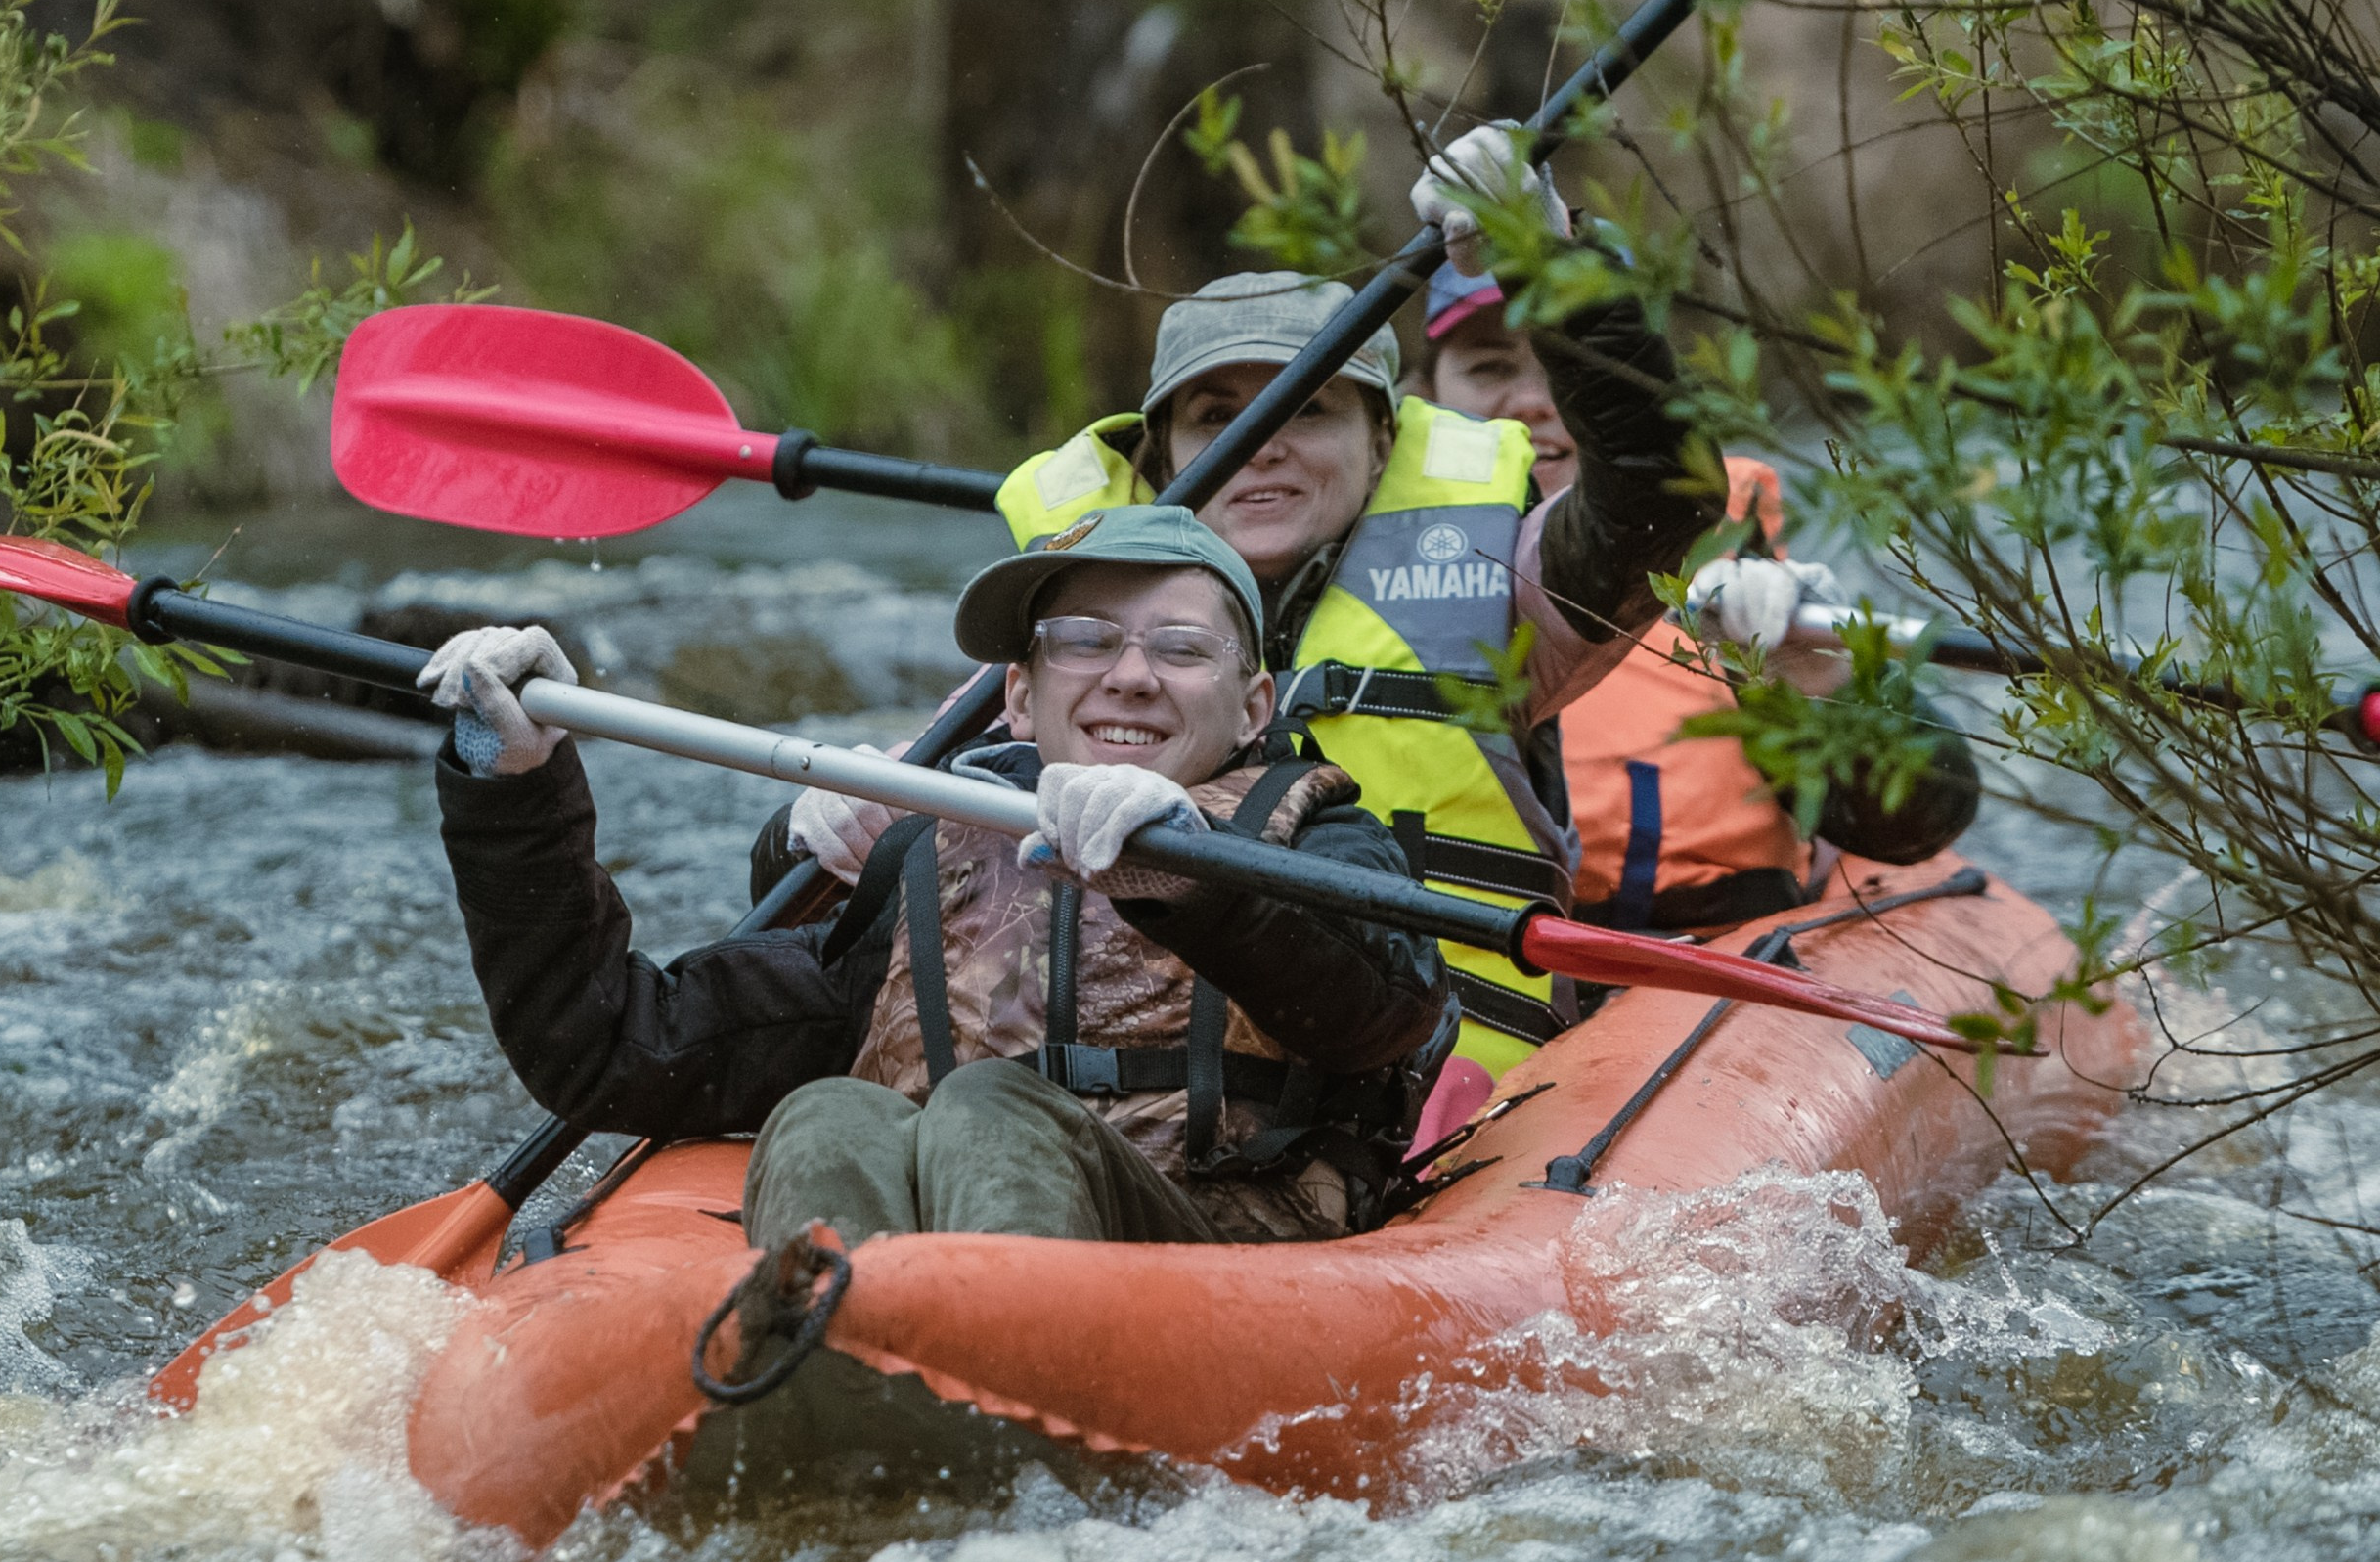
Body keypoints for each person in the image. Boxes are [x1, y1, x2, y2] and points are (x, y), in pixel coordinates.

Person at [786, 125, 1709, 1074]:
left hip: (1450, 1092)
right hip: (1155, 1107)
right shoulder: (1073, 652)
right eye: (1218, 417)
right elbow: (877, 871)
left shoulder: (1503, 584)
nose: (1263, 446)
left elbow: (1662, 493)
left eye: (1307, 409)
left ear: (1383, 442)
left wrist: (1551, 267)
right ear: (1163, 458)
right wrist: (814, 828)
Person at [419, 510, 1454, 1327]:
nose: (1131, 676)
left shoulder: (1319, 844)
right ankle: (849, 1383)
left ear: (1254, 708)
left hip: (1221, 1285)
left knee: (991, 1108)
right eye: (1084, 642)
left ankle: (1001, 1386)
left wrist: (1194, 875)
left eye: (1181, 649)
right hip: (927, 1319)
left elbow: (1388, 1009)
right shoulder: (932, 867)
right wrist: (513, 784)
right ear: (1019, 699)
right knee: (828, 1116)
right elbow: (611, 1047)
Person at [1421, 259, 1982, 931]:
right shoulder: (1358, 575)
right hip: (1475, 962)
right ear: (1420, 396)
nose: (1535, 401)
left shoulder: (1740, 576)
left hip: (1717, 954)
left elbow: (1916, 826)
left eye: (1567, 368)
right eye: (1490, 368)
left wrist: (1827, 685)